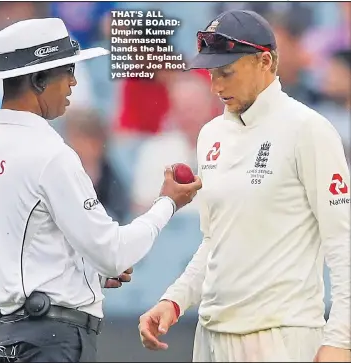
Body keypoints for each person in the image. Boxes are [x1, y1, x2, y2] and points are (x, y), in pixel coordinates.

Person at [0, 18, 202, 362]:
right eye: (66, 71)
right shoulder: (49, 153)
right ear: (39, 79)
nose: (73, 82)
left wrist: (84, 273)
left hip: (5, 338)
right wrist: (167, 203)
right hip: (51, 340)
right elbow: (113, 253)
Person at [138, 10, 350, 363]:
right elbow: (215, 241)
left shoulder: (308, 130)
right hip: (211, 336)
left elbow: (343, 244)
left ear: (265, 61)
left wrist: (341, 339)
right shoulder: (210, 136)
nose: (216, 86)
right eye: (211, 74)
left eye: (227, 73)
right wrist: (174, 299)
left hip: (283, 337)